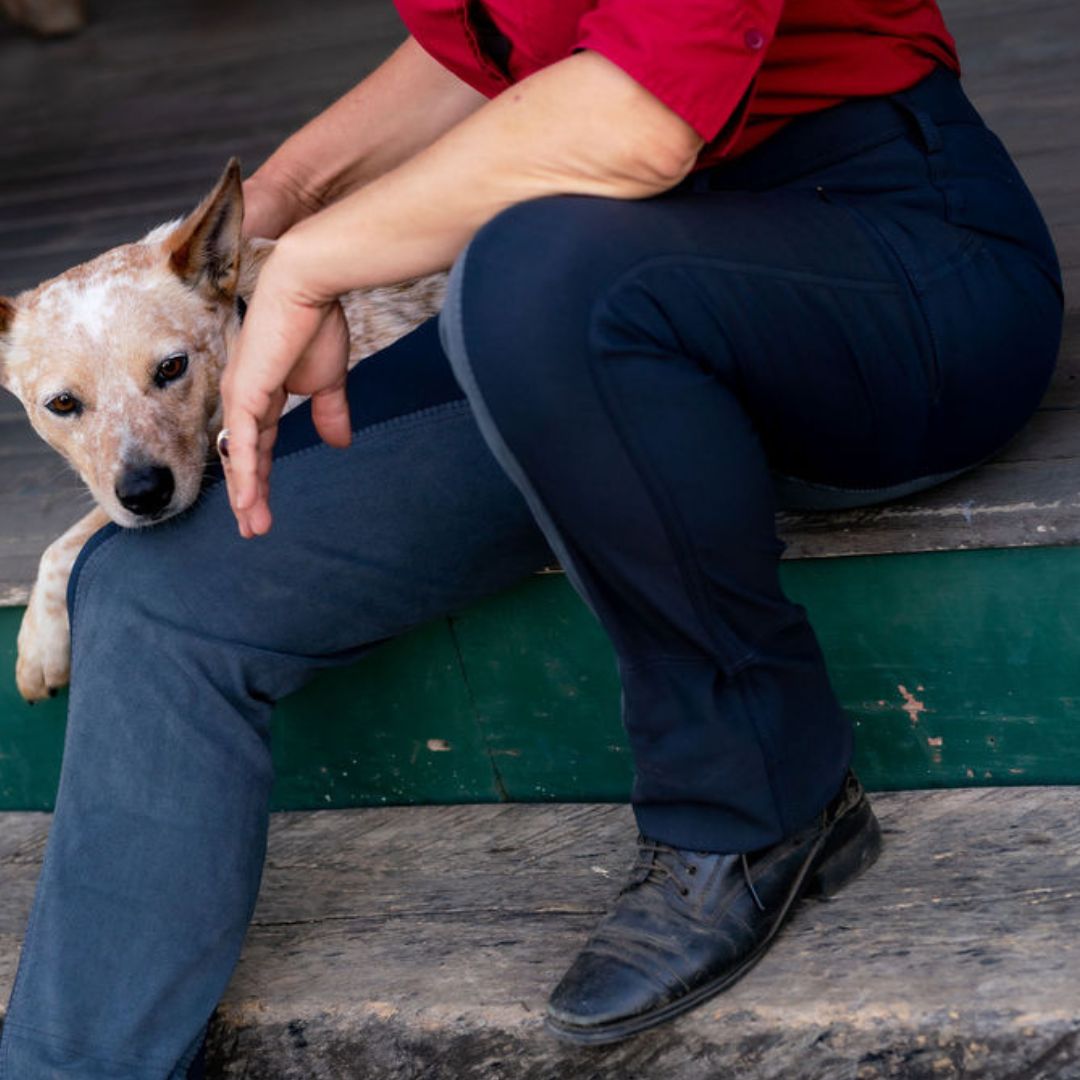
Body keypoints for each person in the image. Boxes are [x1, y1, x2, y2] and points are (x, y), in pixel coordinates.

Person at [0, 0, 1063, 1074]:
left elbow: (639, 117)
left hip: (892, 275)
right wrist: (264, 216)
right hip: (596, 348)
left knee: (529, 263)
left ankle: (754, 802)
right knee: (147, 587)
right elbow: (480, 51)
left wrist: (314, 259)